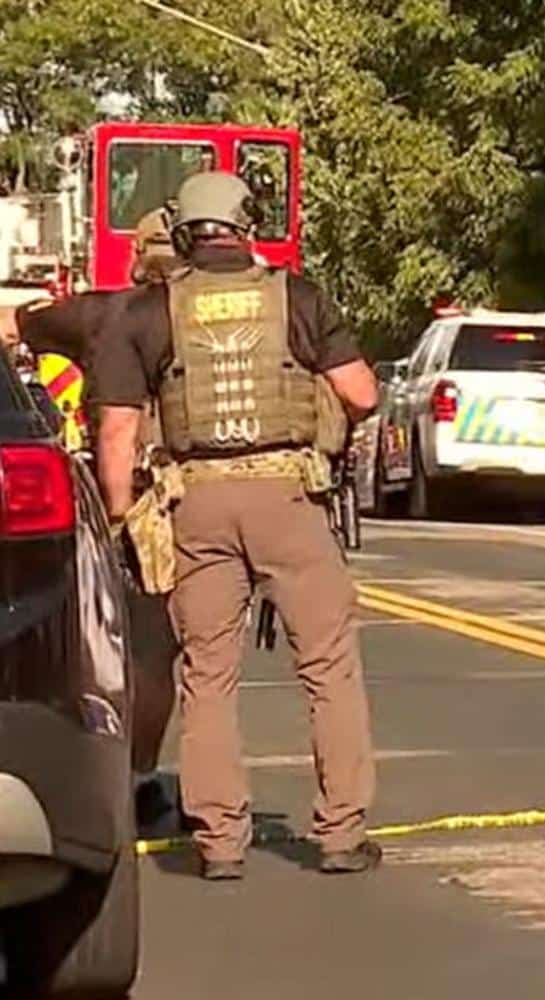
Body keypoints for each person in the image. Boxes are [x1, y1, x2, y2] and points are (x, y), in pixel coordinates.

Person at [92, 171, 381, 880]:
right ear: (246, 226)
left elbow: (117, 432)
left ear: (182, 233)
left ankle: (219, 842)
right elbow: (362, 393)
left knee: (209, 673)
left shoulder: (147, 311)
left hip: (197, 504)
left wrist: (122, 518)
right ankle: (341, 833)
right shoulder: (298, 297)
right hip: (288, 498)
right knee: (328, 666)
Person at [16, 210, 185, 824]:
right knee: (188, 657)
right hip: (212, 497)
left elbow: (14, 325)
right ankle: (162, 782)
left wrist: (115, 517)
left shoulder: (104, 314)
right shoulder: (230, 310)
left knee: (125, 647)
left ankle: (116, 779)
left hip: (135, 501)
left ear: (138, 255)